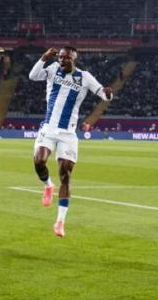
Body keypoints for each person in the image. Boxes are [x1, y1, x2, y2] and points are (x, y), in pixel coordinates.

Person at [29, 47, 113, 237]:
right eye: (60, 57)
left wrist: (108, 94)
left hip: (68, 133)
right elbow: (33, 76)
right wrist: (44, 57)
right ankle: (48, 186)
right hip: (48, 129)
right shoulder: (51, 69)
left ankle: (60, 221)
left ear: (75, 58)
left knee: (65, 174)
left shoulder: (84, 77)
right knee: (39, 160)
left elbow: (103, 94)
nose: (62, 60)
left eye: (67, 57)